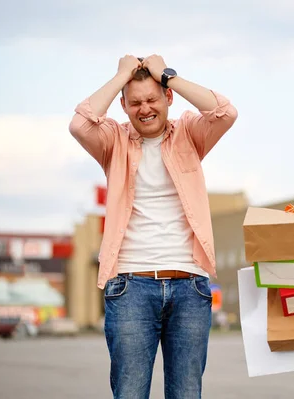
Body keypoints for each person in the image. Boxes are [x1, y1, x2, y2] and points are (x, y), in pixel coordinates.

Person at [69, 54, 238, 399]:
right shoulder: (112, 142)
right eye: (135, 102)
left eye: (152, 99)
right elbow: (79, 125)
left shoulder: (190, 133)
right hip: (131, 286)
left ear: (168, 99)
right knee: (129, 393)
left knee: (186, 393)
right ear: (124, 106)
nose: (144, 108)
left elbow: (225, 112)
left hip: (190, 286)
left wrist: (167, 75)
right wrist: (121, 75)